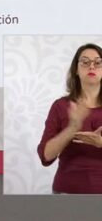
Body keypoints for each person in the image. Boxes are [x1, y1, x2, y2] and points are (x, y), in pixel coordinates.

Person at [37, 43, 102, 193]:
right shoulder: (60, 106)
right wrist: (71, 129)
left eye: (98, 62)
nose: (91, 66)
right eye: (85, 62)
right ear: (76, 70)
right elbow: (46, 156)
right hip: (66, 193)